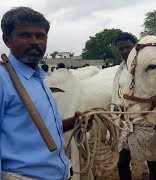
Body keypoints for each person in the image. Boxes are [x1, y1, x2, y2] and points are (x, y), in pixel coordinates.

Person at [0, 7, 90, 180]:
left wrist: (74, 122)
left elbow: (37, 129)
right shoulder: (3, 80)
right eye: (25, 35)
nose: (35, 42)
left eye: (40, 36)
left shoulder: (39, 78)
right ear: (7, 40)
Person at [112, 32, 156, 180]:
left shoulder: (149, 67)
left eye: (127, 47)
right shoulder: (120, 70)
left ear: (135, 47)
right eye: (120, 49)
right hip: (127, 123)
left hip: (148, 121)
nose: (124, 51)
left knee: (152, 162)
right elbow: (117, 95)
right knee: (122, 163)